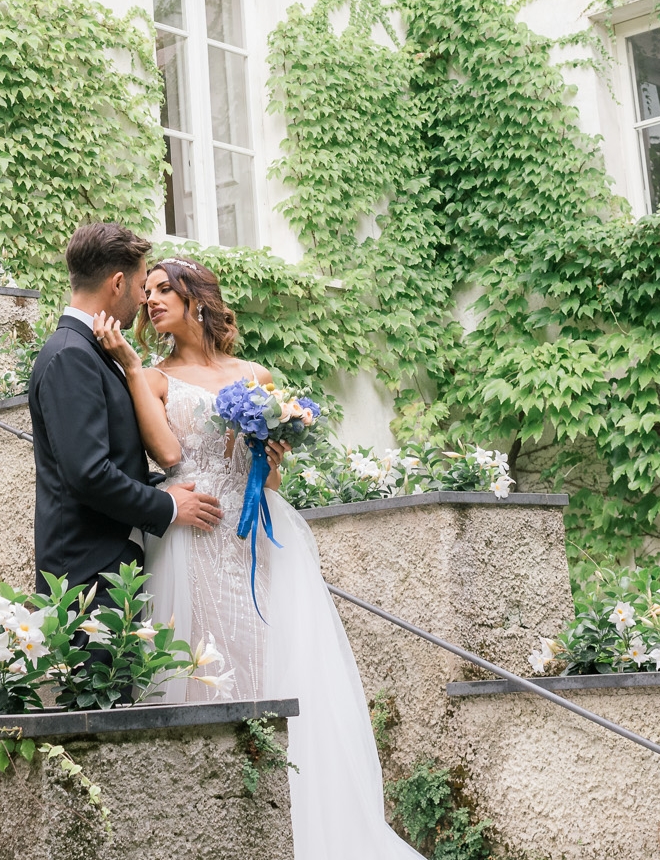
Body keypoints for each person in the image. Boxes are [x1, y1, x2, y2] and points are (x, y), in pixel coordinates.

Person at [90, 257, 420, 860]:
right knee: (205, 666)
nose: (152, 300)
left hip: (258, 538)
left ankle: (295, 820)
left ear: (197, 299)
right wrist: (134, 367)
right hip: (195, 536)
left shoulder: (254, 374)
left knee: (277, 661)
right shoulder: (155, 376)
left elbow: (268, 479)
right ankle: (219, 822)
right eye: (149, 292)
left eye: (166, 290)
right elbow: (167, 454)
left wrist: (272, 450)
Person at [27, 224, 223, 603]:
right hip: (87, 577)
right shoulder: (72, 355)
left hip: (108, 570)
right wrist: (167, 506)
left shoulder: (93, 350)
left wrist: (164, 486)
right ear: (117, 283)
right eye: (141, 287)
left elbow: (113, 460)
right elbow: (88, 473)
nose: (144, 300)